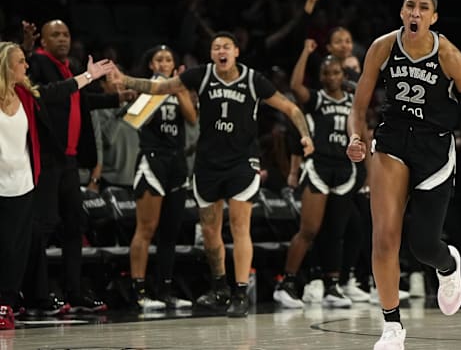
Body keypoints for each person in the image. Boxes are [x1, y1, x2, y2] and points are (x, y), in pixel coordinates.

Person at [112, 31, 314, 318]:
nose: (222, 51)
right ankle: (220, 286)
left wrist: (305, 136)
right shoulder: (202, 75)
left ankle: (240, 291)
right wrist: (127, 80)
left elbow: (291, 108)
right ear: (212, 54)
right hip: (207, 164)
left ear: (235, 52)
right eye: (216, 47)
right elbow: (161, 88)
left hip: (242, 162)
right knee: (209, 232)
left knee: (239, 224)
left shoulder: (253, 79)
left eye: (227, 47)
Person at [346, 0, 461, 349]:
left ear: (433, 18)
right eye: (410, 5)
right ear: (402, 12)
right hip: (392, 141)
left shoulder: (450, 55)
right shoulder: (382, 47)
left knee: (423, 246)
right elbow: (359, 107)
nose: (416, 12)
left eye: (424, 8)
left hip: (435, 147)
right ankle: (392, 327)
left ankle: (447, 264)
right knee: (385, 238)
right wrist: (356, 138)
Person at [0, 41, 113, 328]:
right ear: (6, 67)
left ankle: (7, 303)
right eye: (21, 62)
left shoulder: (26, 94)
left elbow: (59, 90)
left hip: (23, 183)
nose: (27, 66)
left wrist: (88, 76)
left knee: (17, 247)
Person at [22, 20, 122, 315]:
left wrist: (116, 98)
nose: (63, 39)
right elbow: (41, 92)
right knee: (43, 226)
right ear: (43, 41)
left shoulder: (71, 66)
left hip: (69, 160)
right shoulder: (39, 63)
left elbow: (80, 99)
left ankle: (74, 292)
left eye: (66, 34)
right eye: (55, 34)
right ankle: (36, 295)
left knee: (75, 225)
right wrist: (27, 50)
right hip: (48, 158)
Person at [274, 41, 356, 309]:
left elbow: (363, 133)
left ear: (343, 76)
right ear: (321, 77)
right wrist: (305, 52)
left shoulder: (353, 102)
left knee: (336, 232)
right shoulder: (317, 99)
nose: (332, 77)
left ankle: (332, 285)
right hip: (319, 167)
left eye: (336, 73)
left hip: (345, 169)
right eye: (327, 73)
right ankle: (286, 283)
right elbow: (296, 86)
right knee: (309, 229)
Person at [128, 45, 197, 311]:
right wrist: (157, 87)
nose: (164, 63)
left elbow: (192, 119)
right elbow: (135, 118)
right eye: (159, 59)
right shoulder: (145, 88)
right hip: (152, 159)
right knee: (146, 228)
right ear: (151, 64)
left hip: (177, 162)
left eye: (169, 59)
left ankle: (165, 290)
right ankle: (139, 290)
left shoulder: (180, 89)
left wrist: (178, 88)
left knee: (170, 232)